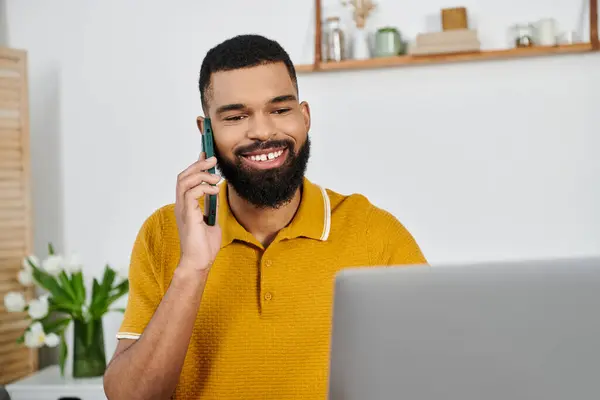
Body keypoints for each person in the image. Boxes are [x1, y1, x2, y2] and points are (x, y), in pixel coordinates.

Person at [102, 34, 427, 400]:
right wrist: (192, 269)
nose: (262, 131)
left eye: (280, 109)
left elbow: (435, 371)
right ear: (205, 131)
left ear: (304, 118)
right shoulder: (163, 233)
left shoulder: (375, 233)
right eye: (237, 116)